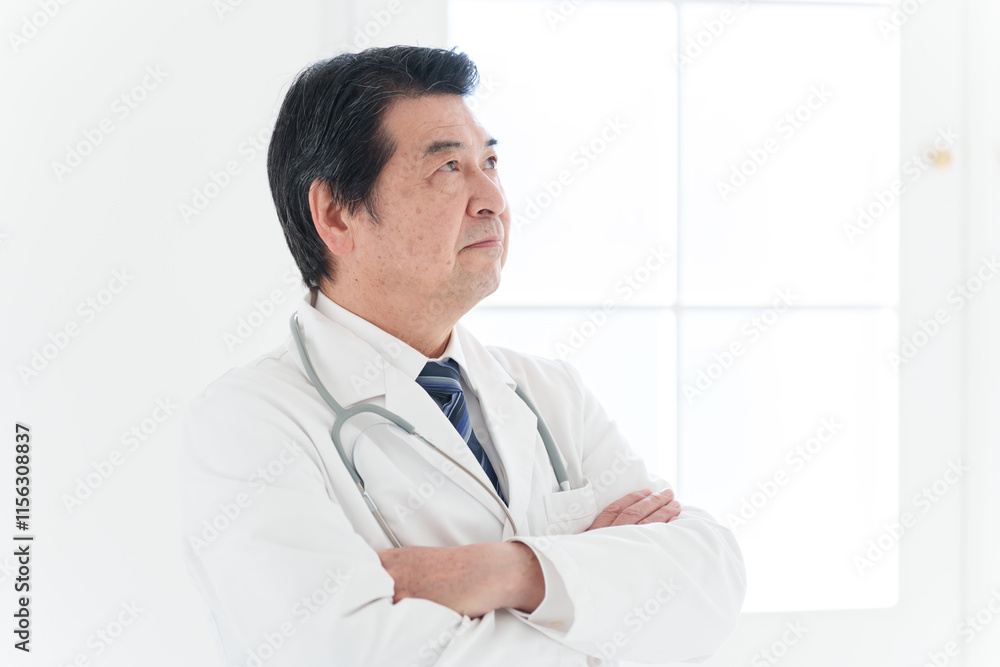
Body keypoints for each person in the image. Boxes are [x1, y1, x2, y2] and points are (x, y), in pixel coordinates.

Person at [179, 45, 746, 667]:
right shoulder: (246, 424)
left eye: (491, 162)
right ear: (337, 215)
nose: (492, 199)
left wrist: (507, 571)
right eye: (449, 167)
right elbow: (348, 653)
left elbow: (709, 583)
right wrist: (598, 607)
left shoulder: (550, 392)